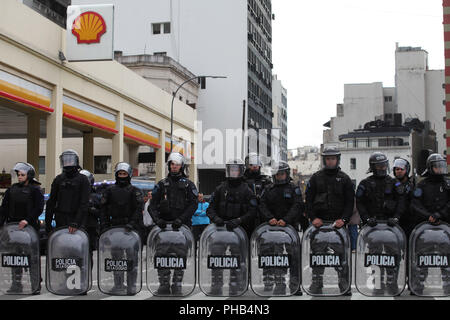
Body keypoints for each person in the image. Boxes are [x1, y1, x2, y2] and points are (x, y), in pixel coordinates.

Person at [305, 146, 355, 295]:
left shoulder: (345, 179)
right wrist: (313, 218)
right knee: (317, 257)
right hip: (319, 225)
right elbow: (308, 201)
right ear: (324, 160)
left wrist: (344, 220)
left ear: (337, 159)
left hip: (338, 225)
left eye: (333, 158)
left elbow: (349, 203)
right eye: (328, 158)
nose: (330, 161)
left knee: (341, 258)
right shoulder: (315, 178)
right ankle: (316, 284)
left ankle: (344, 285)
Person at [356, 152, 406, 295]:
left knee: (393, 256)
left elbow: (402, 201)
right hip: (372, 227)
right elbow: (360, 202)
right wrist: (366, 218)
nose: (383, 168)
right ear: (373, 167)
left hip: (390, 227)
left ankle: (392, 283)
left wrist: (396, 217)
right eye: (379, 165)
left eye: (384, 165)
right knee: (375, 256)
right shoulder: (365, 183)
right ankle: (377, 283)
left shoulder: (394, 182)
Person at [148, 152, 198, 295]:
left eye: (177, 164)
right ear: (169, 166)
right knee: (161, 256)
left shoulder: (189, 184)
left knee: (179, 257)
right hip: (163, 228)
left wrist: (181, 220)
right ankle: (163, 284)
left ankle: (177, 284)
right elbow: (152, 205)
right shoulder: (161, 184)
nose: (174, 166)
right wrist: (158, 220)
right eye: (172, 164)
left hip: (181, 229)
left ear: (181, 166)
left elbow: (193, 205)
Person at [206, 158, 258, 295]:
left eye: (236, 169)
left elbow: (253, 211)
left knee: (238, 261)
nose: (234, 172)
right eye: (231, 169)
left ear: (241, 171)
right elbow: (210, 208)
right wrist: (216, 219)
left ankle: (236, 286)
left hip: (238, 232)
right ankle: (216, 286)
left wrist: (239, 220)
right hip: (220, 231)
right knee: (217, 260)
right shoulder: (220, 188)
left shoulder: (247, 190)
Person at [259, 161, 303, 295]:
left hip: (290, 228)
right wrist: (270, 218)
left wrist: (286, 220)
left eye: (282, 174)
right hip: (273, 229)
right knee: (277, 257)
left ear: (287, 174)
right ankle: (280, 284)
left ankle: (295, 286)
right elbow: (262, 205)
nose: (280, 176)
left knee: (294, 257)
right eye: (277, 174)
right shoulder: (268, 189)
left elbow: (298, 206)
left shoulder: (293, 188)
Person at [100, 162, 143, 295]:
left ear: (129, 174)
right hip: (114, 228)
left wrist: (132, 223)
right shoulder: (109, 191)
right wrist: (105, 225)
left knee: (132, 259)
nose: (122, 176)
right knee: (116, 259)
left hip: (130, 229)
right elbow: (103, 210)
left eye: (124, 174)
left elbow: (138, 209)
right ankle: (118, 285)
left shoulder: (135, 191)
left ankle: (131, 286)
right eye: (120, 174)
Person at [0, 162, 44, 294]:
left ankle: (35, 285)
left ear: (29, 175)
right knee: (15, 257)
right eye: (18, 174)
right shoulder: (12, 190)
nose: (19, 177)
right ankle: (16, 285)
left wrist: (27, 220)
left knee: (32, 258)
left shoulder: (35, 190)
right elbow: (4, 209)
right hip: (13, 229)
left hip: (29, 228)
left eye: (22, 175)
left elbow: (38, 208)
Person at [410, 153, 450, 295]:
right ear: (430, 168)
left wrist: (440, 214)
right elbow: (415, 204)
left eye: (442, 166)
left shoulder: (447, 183)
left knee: (446, 258)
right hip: (425, 228)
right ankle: (418, 286)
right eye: (437, 167)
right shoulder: (422, 184)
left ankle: (448, 285)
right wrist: (428, 216)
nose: (440, 169)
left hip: (445, 227)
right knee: (422, 258)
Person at [45, 149, 90, 235]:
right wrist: (48, 223)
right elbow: (51, 202)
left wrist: (76, 221)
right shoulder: (58, 179)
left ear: (76, 161)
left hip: (77, 221)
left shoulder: (83, 180)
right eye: (65, 160)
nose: (67, 163)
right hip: (60, 220)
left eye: (70, 160)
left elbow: (84, 203)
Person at [79, 169, 101, 270]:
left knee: (88, 253)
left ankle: (87, 275)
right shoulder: (74, 195)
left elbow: (101, 212)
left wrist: (89, 208)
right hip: (77, 226)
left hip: (90, 227)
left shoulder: (95, 197)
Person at [243, 152, 271, 228]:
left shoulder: (265, 180)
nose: (255, 166)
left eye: (256, 163)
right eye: (251, 164)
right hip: (245, 216)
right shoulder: (242, 180)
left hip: (262, 216)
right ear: (247, 165)